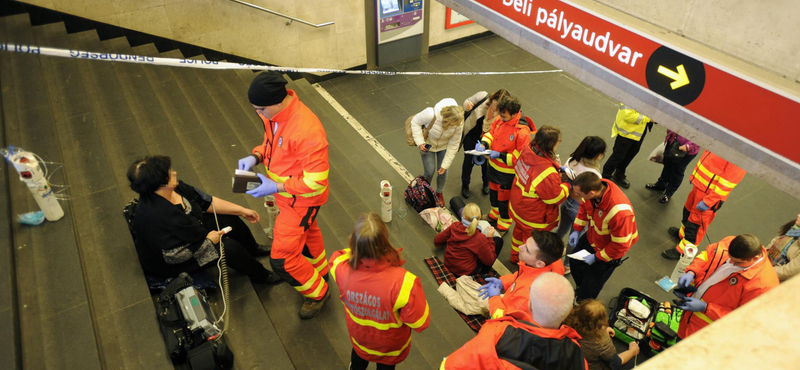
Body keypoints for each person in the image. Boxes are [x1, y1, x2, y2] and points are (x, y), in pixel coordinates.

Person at [238, 71, 331, 318]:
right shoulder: (276, 114)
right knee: (309, 233)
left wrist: (276, 187)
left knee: (281, 260)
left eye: (260, 109)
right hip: (291, 199)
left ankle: (318, 293)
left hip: (300, 201)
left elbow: (317, 183)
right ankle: (321, 273)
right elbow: (272, 143)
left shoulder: (306, 130)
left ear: (277, 101)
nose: (258, 114)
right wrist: (256, 155)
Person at [127, 156, 280, 284]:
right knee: (228, 248)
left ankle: (252, 249)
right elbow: (173, 255)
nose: (174, 172)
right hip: (178, 257)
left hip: (192, 229)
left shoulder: (176, 188)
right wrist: (207, 242)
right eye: (169, 172)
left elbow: (207, 202)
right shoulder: (154, 217)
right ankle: (260, 275)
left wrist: (241, 210)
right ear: (161, 184)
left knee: (229, 219)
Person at [329, 213, 430, 370]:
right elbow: (420, 323)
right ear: (385, 241)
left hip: (360, 340)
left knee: (358, 360)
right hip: (389, 348)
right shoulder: (405, 282)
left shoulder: (341, 269)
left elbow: (338, 256)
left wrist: (360, 247)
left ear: (354, 243)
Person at [441, 273, 587, 370]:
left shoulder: (497, 333)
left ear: (529, 304)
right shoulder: (577, 356)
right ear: (568, 312)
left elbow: (454, 365)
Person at [674, 234, 779, 338]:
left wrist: (706, 308)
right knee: (679, 338)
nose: (730, 263)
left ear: (755, 258)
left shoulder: (763, 286)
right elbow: (707, 256)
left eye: (737, 262)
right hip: (689, 313)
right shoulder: (730, 242)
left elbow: (743, 319)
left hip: (707, 329)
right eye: (730, 258)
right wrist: (692, 271)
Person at [662, 150, 746, 260]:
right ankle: (683, 235)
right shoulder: (725, 143)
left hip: (709, 195)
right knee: (687, 212)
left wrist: (709, 201)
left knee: (696, 224)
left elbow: (727, 184)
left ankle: (685, 250)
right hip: (700, 186)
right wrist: (695, 177)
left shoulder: (741, 157)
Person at [569, 172, 638, 302]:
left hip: (609, 251)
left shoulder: (620, 213)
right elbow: (584, 208)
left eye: (579, 193)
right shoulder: (594, 188)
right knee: (575, 262)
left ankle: (584, 302)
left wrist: (597, 257)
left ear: (592, 193)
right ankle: (581, 288)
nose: (576, 195)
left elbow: (620, 246)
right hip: (593, 237)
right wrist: (577, 229)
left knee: (591, 284)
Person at [508, 125, 569, 263]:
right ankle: (524, 263)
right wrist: (567, 185)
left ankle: (515, 256)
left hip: (518, 207)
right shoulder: (546, 172)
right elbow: (554, 197)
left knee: (517, 234)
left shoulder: (527, 150)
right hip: (533, 217)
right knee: (531, 243)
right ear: (552, 144)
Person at [476, 96, 533, 234]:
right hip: (493, 167)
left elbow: (520, 158)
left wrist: (500, 155)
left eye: (504, 116)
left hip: (507, 174)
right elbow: (491, 134)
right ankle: (494, 215)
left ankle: (504, 224)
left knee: (504, 200)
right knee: (494, 195)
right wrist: (484, 144)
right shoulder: (500, 119)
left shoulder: (522, 132)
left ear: (514, 114)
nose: (500, 118)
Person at [479, 230, 565, 319]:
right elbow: (523, 276)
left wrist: (494, 298)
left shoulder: (527, 298)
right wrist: (503, 282)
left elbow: (502, 319)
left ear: (540, 264)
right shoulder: (553, 262)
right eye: (525, 243)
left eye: (527, 250)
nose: (520, 247)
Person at [556, 136, 607, 274]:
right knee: (575, 239)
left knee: (561, 229)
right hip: (579, 209)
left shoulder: (572, 160)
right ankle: (567, 265)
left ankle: (554, 251)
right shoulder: (594, 174)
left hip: (566, 201)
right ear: (598, 155)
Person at [410, 98, 465, 206]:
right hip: (428, 144)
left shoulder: (459, 122)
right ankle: (425, 190)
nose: (455, 126)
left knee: (443, 171)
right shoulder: (430, 114)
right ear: (446, 120)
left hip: (444, 146)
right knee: (429, 171)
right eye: (452, 124)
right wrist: (420, 142)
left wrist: (445, 164)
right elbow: (415, 122)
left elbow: (454, 144)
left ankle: (439, 192)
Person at [460, 89, 510, 199]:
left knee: (486, 163)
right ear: (492, 100)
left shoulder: (503, 114)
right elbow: (466, 102)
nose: (495, 109)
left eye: (498, 108)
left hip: (488, 141)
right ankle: (465, 184)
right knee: (468, 161)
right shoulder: (482, 96)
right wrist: (467, 105)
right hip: (471, 135)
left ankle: (486, 182)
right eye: (494, 105)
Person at [564, 299, 640, 370]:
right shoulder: (601, 342)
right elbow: (616, 363)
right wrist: (632, 351)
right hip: (587, 367)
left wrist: (604, 329)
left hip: (569, 360)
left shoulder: (567, 322)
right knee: (630, 363)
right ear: (602, 321)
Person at [434, 202, 503, 276]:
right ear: (479, 218)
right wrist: (489, 238)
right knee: (499, 241)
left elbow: (437, 241)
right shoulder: (480, 238)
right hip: (464, 272)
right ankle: (484, 273)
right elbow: (489, 261)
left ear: (464, 216)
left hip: (448, 263)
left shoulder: (455, 226)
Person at [601, 103, 654, 189]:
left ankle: (619, 173)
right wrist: (648, 119)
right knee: (618, 156)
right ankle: (605, 178)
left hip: (639, 131)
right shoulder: (630, 97)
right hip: (626, 133)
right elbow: (628, 116)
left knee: (630, 154)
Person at [644, 130, 700, 203]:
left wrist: (688, 146)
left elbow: (702, 136)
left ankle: (669, 193)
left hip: (686, 150)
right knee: (668, 164)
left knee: (678, 170)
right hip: (673, 141)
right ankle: (661, 184)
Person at [766, 214, 800, 281]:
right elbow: (773, 244)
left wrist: (763, 270)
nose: (798, 215)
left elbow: (788, 272)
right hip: (766, 267)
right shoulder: (795, 229)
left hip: (775, 282)